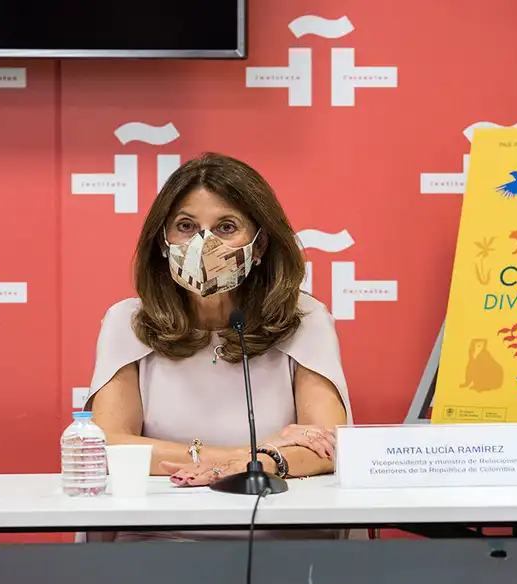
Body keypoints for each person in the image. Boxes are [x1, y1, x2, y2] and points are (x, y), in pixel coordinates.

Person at [85, 152, 352, 540]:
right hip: (158, 540)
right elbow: (109, 446)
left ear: (259, 246)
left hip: (279, 539)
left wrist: (245, 463)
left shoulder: (304, 318)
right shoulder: (128, 321)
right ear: (163, 242)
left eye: (226, 227)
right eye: (186, 226)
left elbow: (325, 446)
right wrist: (249, 458)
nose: (204, 244)